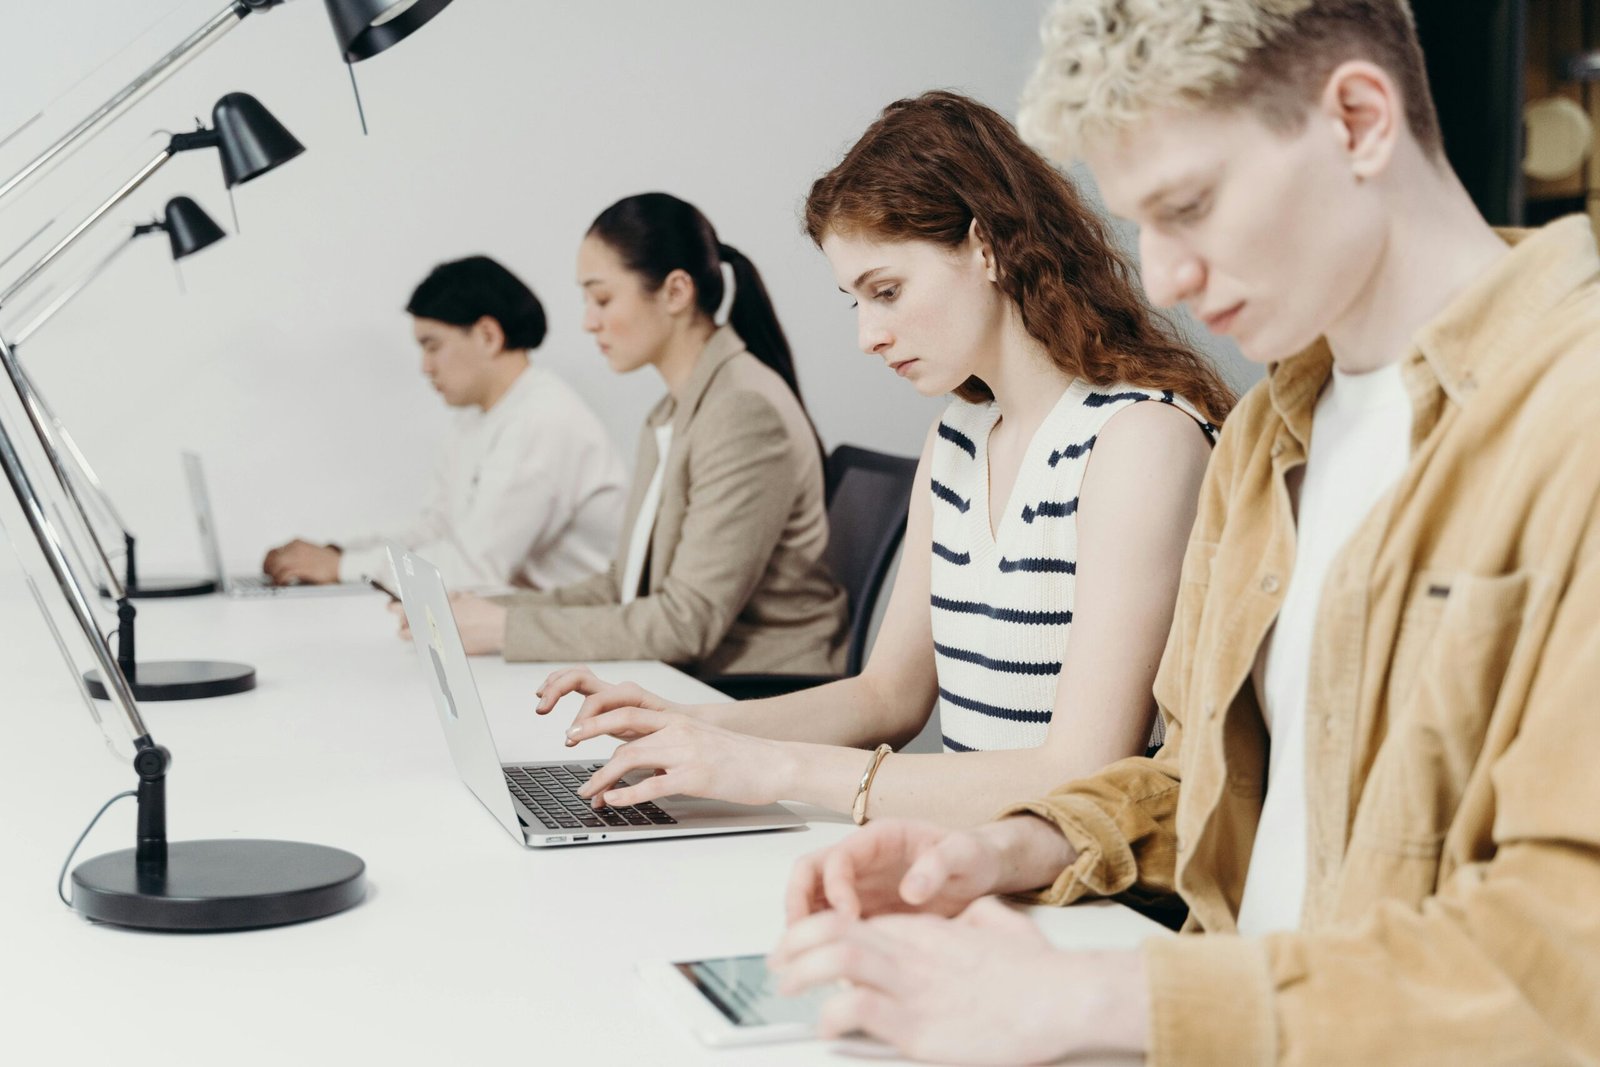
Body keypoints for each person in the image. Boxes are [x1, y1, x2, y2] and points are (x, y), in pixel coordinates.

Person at [772, 1, 1600, 1063]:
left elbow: (1563, 958)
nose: (1160, 276)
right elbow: (1205, 784)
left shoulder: (1570, 416)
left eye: (1190, 206)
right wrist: (1007, 846)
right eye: (1140, 223)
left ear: (1355, 119)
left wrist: (1093, 999)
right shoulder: (1263, 438)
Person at [533, 93, 1234, 826]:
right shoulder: (959, 438)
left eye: (888, 291)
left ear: (987, 245)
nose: (869, 335)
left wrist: (780, 767)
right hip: (973, 859)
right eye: (856, 302)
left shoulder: (1138, 439)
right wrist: (690, 724)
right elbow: (887, 697)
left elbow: (1081, 770)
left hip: (1089, 892)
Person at [419, 193, 849, 676]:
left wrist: (502, 632)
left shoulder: (742, 411)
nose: (588, 321)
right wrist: (497, 611)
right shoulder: (671, 412)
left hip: (759, 687)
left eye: (602, 298)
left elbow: (686, 623)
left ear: (675, 292)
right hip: (696, 675)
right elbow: (623, 587)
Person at [262, 255, 625, 591]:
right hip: (523, 629)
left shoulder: (544, 421)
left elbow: (473, 570)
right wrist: (338, 552)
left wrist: (340, 567)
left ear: (488, 335)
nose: (425, 367)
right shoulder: (476, 419)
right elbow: (437, 528)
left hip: (579, 645)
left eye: (432, 346)